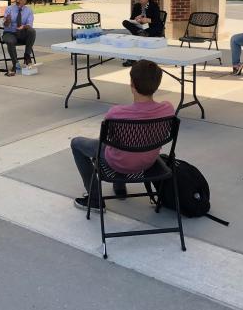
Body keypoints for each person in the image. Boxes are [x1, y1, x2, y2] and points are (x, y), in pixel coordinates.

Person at [70, 59, 175, 212]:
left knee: (77, 143)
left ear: (132, 84)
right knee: (126, 145)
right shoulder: (168, 109)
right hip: (148, 161)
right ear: (157, 84)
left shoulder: (117, 113)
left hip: (118, 162)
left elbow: (107, 141)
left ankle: (94, 199)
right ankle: (119, 188)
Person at [1, 0, 36, 77]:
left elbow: (29, 24)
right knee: (10, 41)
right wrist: (7, 20)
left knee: (32, 31)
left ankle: (27, 56)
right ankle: (15, 64)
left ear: (25, 0)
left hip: (21, 33)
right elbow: (5, 25)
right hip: (9, 32)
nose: (18, 1)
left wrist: (23, 27)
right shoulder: (9, 9)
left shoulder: (28, 11)